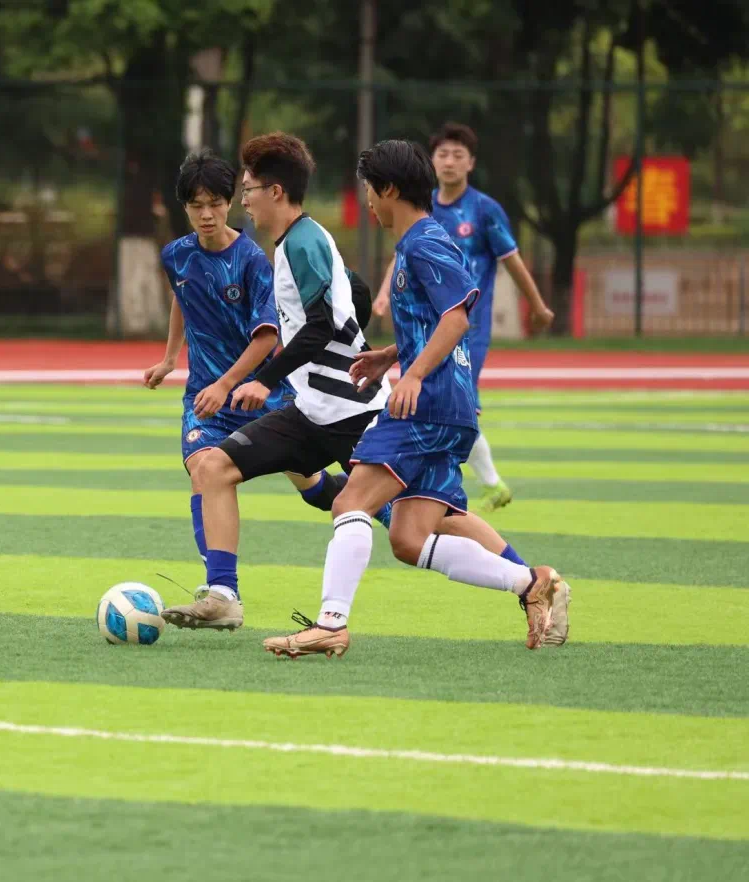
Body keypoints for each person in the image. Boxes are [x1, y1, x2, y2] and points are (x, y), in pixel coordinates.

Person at [162, 133, 547, 638]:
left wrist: (263, 380)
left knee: (426, 522)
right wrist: (384, 353)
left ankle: (533, 582)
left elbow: (324, 323)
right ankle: (223, 596)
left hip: (355, 411)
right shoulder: (291, 244)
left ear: (275, 192)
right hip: (312, 410)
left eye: (249, 190)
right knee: (213, 468)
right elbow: (348, 306)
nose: (244, 201)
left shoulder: (304, 241)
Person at [263, 139, 566, 660]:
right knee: (408, 538)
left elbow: (456, 317)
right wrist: (390, 356)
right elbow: (431, 322)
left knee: (350, 502)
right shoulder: (416, 243)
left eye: (369, 190)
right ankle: (531, 582)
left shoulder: (424, 242)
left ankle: (331, 624)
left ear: (389, 189)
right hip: (448, 407)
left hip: (428, 406)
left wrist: (415, 376)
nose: (368, 201)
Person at [142, 148, 348, 574]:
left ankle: (378, 503)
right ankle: (219, 587)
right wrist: (169, 359)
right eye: (196, 205)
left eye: (215, 204)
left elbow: (267, 336)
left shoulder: (252, 259)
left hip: (261, 396)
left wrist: (227, 384)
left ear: (230, 202)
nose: (206, 215)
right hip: (206, 398)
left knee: (315, 488)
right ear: (184, 207)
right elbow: (182, 297)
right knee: (204, 471)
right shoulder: (176, 255)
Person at [374, 122, 556, 513]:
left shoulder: (485, 210)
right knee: (446, 404)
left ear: (471, 163)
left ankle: (477, 486)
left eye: (458, 155)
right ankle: (455, 490)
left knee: (454, 402)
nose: (450, 162)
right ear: (432, 160)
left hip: (466, 327)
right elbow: (403, 252)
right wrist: (384, 292)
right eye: (443, 154)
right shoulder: (421, 206)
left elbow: (513, 261)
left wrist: (538, 307)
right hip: (424, 325)